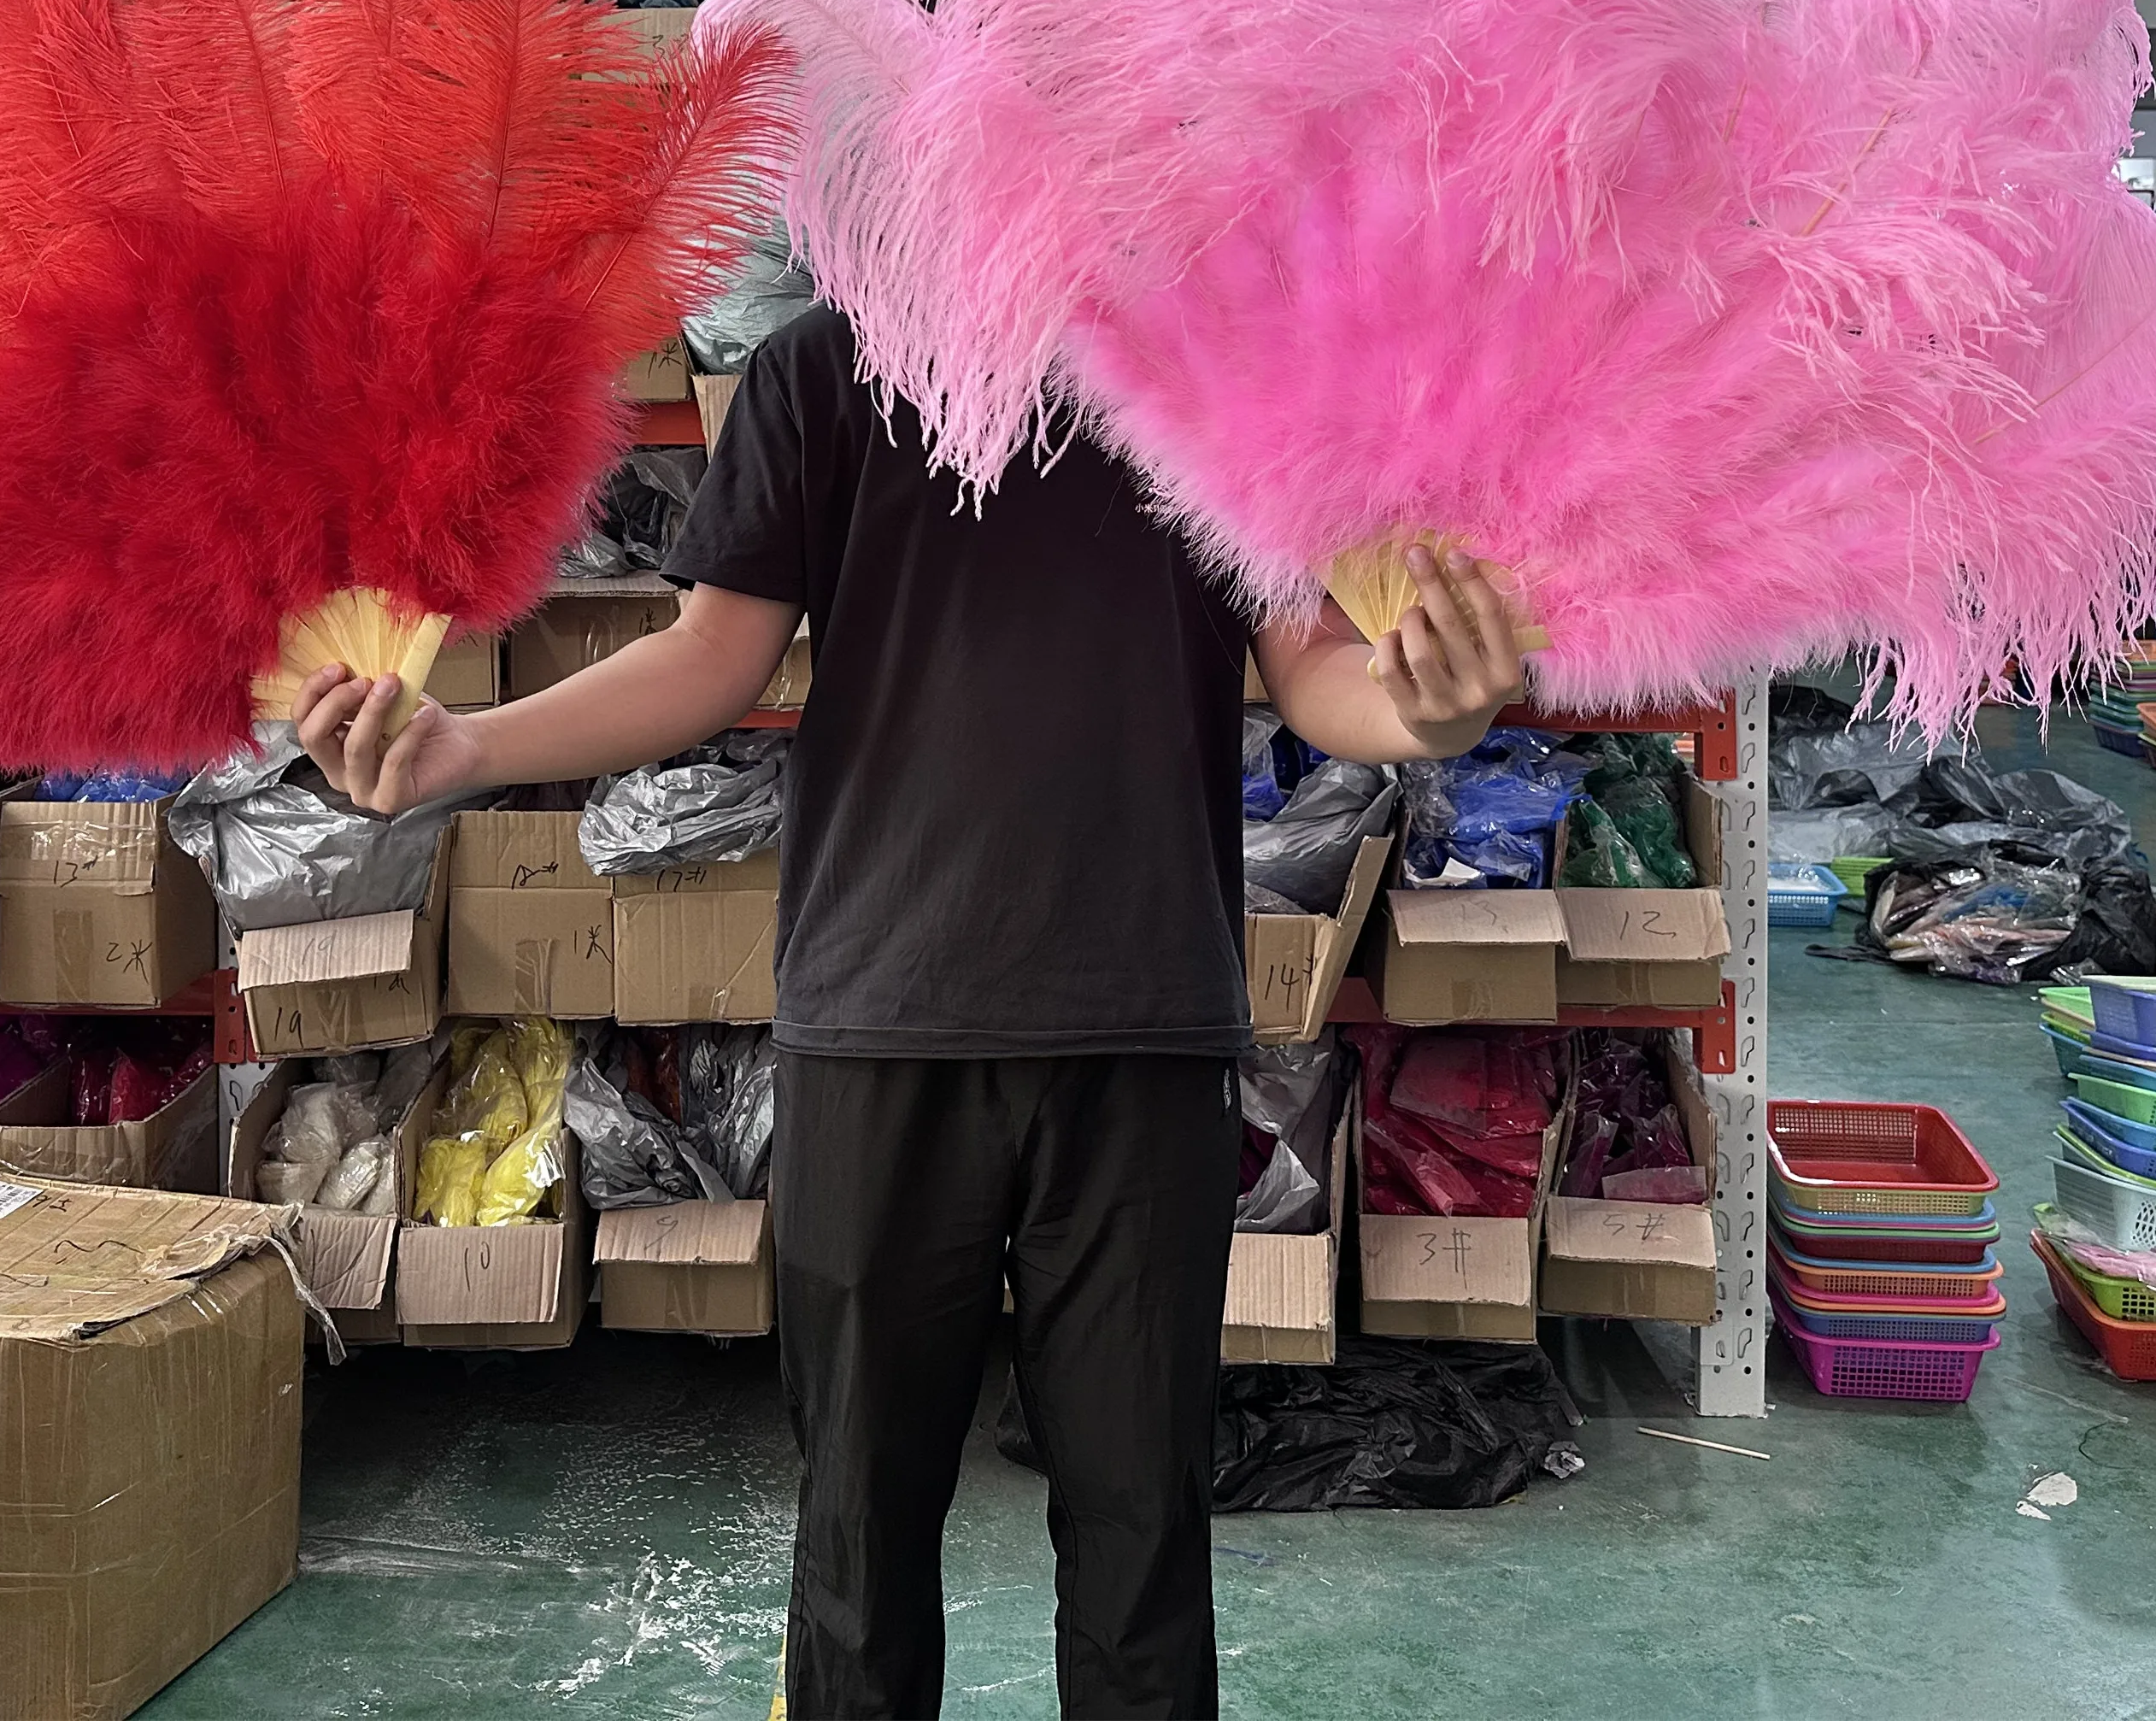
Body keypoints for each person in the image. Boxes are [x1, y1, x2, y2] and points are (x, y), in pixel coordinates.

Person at [294, 302, 1526, 1721]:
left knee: (1142, 1537)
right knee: (861, 1543)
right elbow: (713, 655)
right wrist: (472, 747)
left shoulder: (1218, 368)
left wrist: (1429, 709)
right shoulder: (827, 370)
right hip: (882, 1023)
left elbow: (1310, 667)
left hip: (1141, 1026)